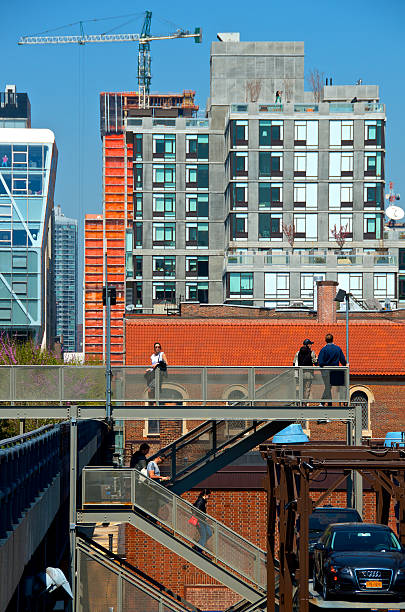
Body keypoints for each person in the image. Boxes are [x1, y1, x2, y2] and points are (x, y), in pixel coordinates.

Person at [318, 334, 347, 406]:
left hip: (326, 372)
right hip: (335, 371)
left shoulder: (323, 349)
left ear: (326, 340)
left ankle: (324, 403)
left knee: (328, 386)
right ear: (333, 339)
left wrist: (325, 364)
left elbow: (320, 362)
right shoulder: (338, 349)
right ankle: (327, 403)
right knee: (329, 387)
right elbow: (343, 361)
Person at [293, 339, 317, 404]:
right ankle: (305, 402)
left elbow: (294, 363)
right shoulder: (312, 352)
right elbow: (316, 362)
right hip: (309, 374)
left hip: (300, 373)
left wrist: (296, 373)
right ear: (308, 345)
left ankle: (299, 401)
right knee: (307, 388)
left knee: (301, 388)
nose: (311, 345)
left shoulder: (298, 353)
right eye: (310, 344)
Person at [192, 489, 212, 554]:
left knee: (209, 533)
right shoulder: (200, 501)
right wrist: (203, 517)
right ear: (205, 495)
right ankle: (199, 550)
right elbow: (195, 510)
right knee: (203, 536)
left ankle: (197, 546)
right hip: (199, 521)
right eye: (208, 496)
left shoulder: (203, 501)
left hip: (203, 520)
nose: (209, 497)